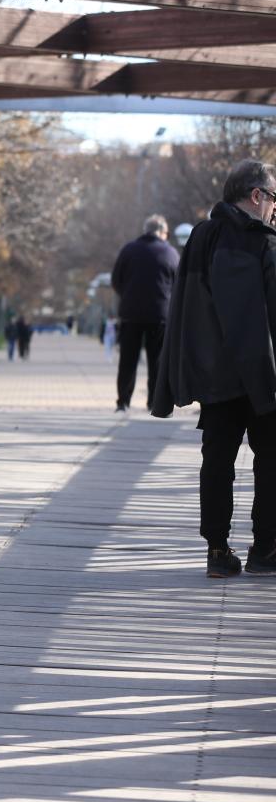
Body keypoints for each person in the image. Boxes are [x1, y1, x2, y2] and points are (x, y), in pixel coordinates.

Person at [153, 159, 276, 580]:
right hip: (259, 374)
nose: (274, 209)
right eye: (273, 198)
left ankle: (218, 551)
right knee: (271, 458)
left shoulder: (202, 236)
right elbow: (256, 319)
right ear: (256, 196)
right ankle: (266, 549)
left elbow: (185, 305)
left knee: (218, 461)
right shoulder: (258, 241)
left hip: (213, 375)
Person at [111, 214, 180, 413]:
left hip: (131, 313)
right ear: (162, 232)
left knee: (128, 360)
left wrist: (128, 295)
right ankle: (154, 402)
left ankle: (123, 401)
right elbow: (178, 284)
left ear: (146, 230)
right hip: (160, 315)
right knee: (157, 360)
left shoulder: (129, 250)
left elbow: (116, 280)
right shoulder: (171, 254)